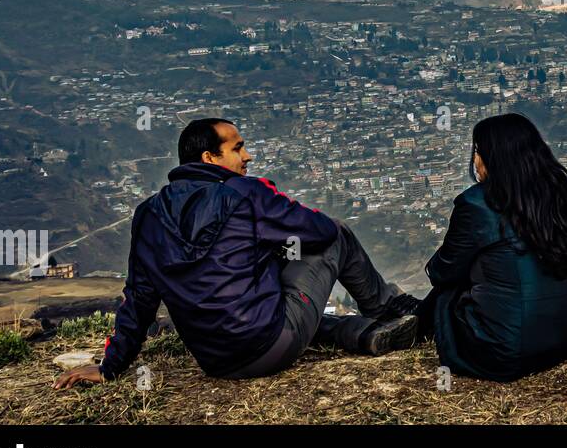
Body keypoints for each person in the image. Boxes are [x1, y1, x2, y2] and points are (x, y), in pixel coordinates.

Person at [54, 118, 421, 389]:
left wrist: (111, 366)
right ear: (210, 157)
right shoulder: (245, 193)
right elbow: (321, 231)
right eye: (237, 148)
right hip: (270, 343)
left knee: (276, 293)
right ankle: (389, 308)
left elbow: (139, 299)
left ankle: (365, 334)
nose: (247, 156)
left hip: (216, 360)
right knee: (338, 233)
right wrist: (275, 226)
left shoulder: (149, 214)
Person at [417, 112, 567, 382]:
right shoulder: (553, 192)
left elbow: (443, 273)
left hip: (505, 354)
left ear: (494, 156)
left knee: (452, 287)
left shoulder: (476, 204)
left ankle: (408, 328)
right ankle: (406, 321)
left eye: (478, 150)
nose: (475, 160)